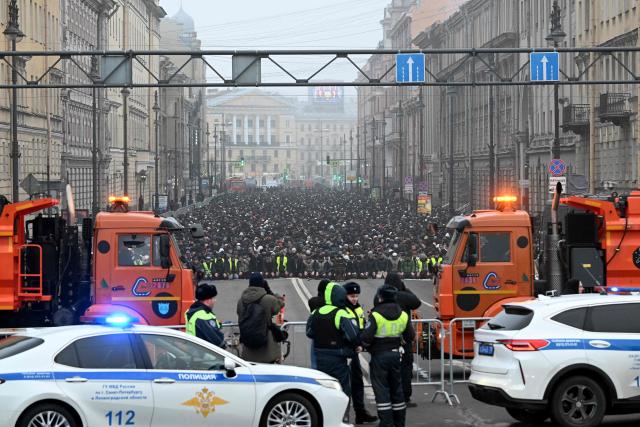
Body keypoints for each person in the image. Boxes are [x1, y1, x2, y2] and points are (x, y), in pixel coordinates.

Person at [361, 285, 414, 427]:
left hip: (379, 356)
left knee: (382, 391)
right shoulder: (403, 314)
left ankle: (386, 423)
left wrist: (365, 344)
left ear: (380, 297)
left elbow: (366, 337)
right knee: (397, 390)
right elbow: (410, 336)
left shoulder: (376, 314)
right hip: (396, 355)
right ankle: (399, 423)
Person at [306, 282, 361, 410]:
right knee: (342, 391)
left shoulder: (316, 312)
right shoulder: (341, 313)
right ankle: (342, 419)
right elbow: (352, 335)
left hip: (320, 357)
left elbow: (309, 332)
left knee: (323, 390)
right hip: (338, 358)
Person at [383, 272, 421, 408]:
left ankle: (388, 396)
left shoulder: (381, 296)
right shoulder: (404, 296)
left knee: (388, 369)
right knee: (405, 368)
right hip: (404, 337)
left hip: (385, 339)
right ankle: (405, 397)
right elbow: (417, 302)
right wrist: (404, 289)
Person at [343, 282, 378, 424]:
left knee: (357, 383)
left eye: (356, 296)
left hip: (354, 351)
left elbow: (361, 327)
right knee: (344, 385)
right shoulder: (342, 310)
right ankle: (343, 416)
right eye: (352, 296)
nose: (355, 299)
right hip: (345, 352)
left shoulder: (358, 309)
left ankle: (360, 412)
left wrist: (361, 344)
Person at [237, 273, 285, 363]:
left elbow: (239, 314)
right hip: (267, 345)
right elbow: (281, 303)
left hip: (247, 344)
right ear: (262, 283)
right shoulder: (268, 299)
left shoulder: (241, 301)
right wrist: (269, 291)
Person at [185, 283, 226, 348]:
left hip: (194, 350)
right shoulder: (203, 316)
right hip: (205, 354)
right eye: (214, 298)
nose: (215, 301)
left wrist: (218, 324)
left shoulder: (192, 311)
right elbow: (216, 340)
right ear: (208, 300)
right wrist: (224, 344)